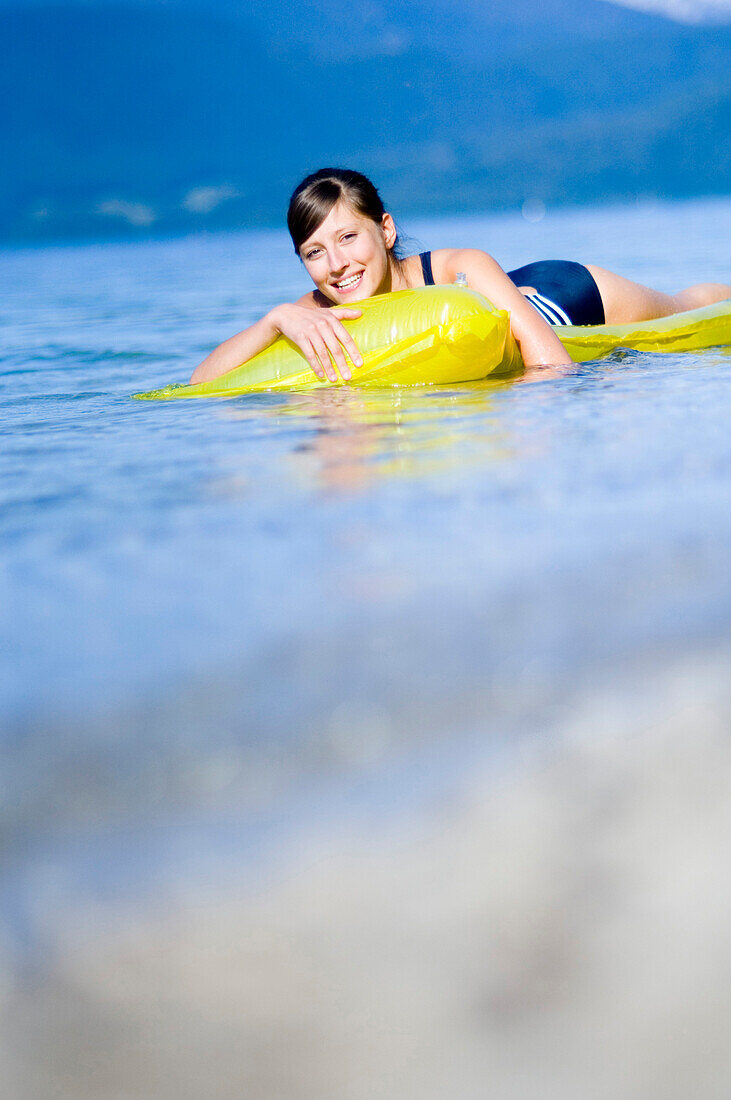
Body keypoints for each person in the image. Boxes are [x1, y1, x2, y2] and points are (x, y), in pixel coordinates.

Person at [191, 168, 730, 385]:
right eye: (314, 252)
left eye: (348, 238)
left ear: (386, 230)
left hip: (564, 295)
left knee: (687, 309)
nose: (336, 265)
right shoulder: (313, 311)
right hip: (521, 293)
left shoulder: (458, 264)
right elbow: (202, 383)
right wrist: (274, 320)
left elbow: (550, 362)